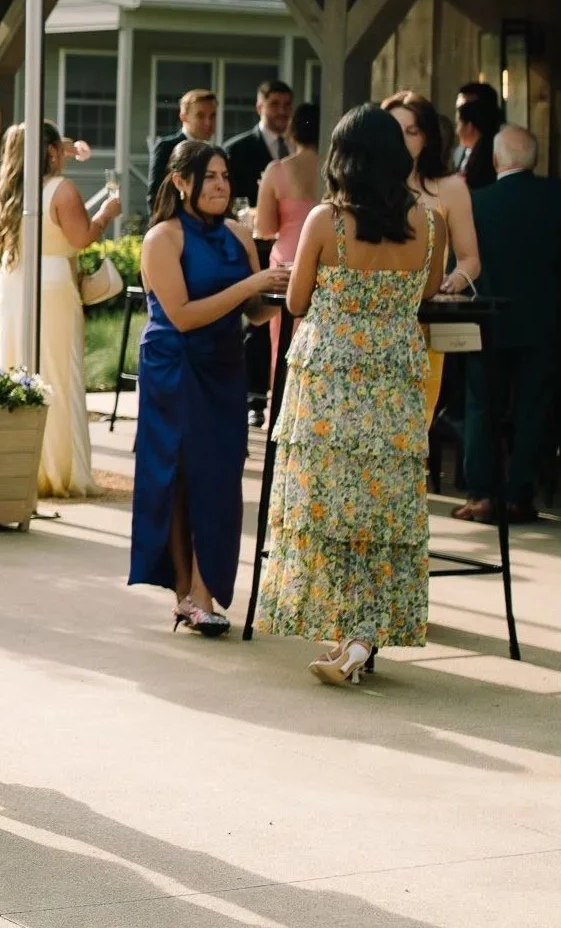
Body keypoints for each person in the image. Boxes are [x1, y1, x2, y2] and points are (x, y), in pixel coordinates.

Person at [253, 105, 446, 685]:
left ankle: (345, 631)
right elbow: (427, 290)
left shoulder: (326, 222)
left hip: (330, 385)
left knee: (329, 505)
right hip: (393, 383)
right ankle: (361, 635)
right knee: (380, 508)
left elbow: (295, 302)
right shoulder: (430, 224)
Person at [130, 140, 285, 633]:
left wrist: (290, 289)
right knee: (178, 476)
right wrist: (249, 288)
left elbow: (256, 313)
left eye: (225, 176)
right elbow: (183, 314)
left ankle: (203, 590)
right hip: (174, 367)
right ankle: (189, 594)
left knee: (219, 476)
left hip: (224, 366)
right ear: (180, 181)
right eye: (210, 176)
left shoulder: (240, 235)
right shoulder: (162, 239)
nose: (221, 185)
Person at [457, 125, 561, 524]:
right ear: (535, 160)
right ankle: (520, 496)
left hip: (490, 320)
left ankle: (480, 494)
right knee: (535, 409)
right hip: (546, 322)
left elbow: (460, 265)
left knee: (482, 407)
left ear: (497, 160)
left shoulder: (477, 202)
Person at [0, 121, 120, 500]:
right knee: (58, 371)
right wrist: (107, 213)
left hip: (14, 284)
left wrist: (66, 145)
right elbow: (81, 237)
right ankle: (58, 467)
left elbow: (35, 141)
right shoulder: (61, 190)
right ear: (49, 151)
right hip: (53, 288)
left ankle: (19, 463)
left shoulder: (14, 191)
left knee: (18, 365)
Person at [382, 92, 482, 432]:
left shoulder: (450, 188)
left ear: (426, 137)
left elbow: (469, 259)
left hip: (423, 318)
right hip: (371, 316)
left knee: (414, 425)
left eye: (412, 130)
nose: (401, 139)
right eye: (394, 130)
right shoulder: (364, 185)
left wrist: (451, 281)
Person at [253, 103, 324, 407]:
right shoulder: (335, 170)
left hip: (288, 263)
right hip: (325, 258)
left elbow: (266, 228)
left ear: (293, 131)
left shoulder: (278, 170)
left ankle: (284, 408)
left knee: (284, 347)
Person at [224, 79, 296, 206]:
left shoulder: (301, 147)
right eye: (274, 104)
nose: (282, 111)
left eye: (287, 105)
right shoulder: (236, 149)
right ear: (259, 107)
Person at [147, 89, 219, 211]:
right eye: (200, 116)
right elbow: (155, 197)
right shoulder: (167, 147)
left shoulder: (214, 152)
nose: (208, 123)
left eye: (212, 116)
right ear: (183, 117)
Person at [454, 80, 502, 188]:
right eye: (459, 108)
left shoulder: (499, 149)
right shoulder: (459, 151)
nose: (461, 111)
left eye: (466, 107)